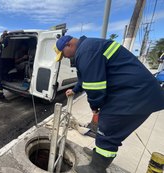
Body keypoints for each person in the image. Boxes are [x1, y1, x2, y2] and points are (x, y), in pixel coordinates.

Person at [54, 35, 164, 173]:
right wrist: (75, 89)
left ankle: (96, 168)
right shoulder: (88, 47)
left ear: (69, 45)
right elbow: (87, 76)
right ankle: (98, 156)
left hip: (135, 95)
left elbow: (94, 87)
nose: (64, 57)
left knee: (107, 129)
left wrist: (95, 107)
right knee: (106, 127)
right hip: (134, 93)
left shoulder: (86, 51)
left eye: (63, 54)